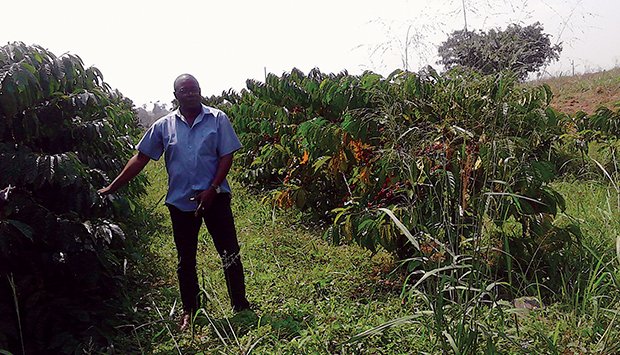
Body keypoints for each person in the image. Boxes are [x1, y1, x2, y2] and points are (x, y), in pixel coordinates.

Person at [99, 74, 250, 331]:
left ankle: (240, 304)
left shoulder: (217, 119)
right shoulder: (163, 126)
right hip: (181, 203)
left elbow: (226, 156)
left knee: (229, 252)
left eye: (195, 89)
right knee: (185, 259)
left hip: (215, 198)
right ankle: (190, 310)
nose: (191, 94)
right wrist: (113, 186)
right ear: (176, 95)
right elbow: (141, 158)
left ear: (200, 91)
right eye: (185, 90)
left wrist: (212, 188)